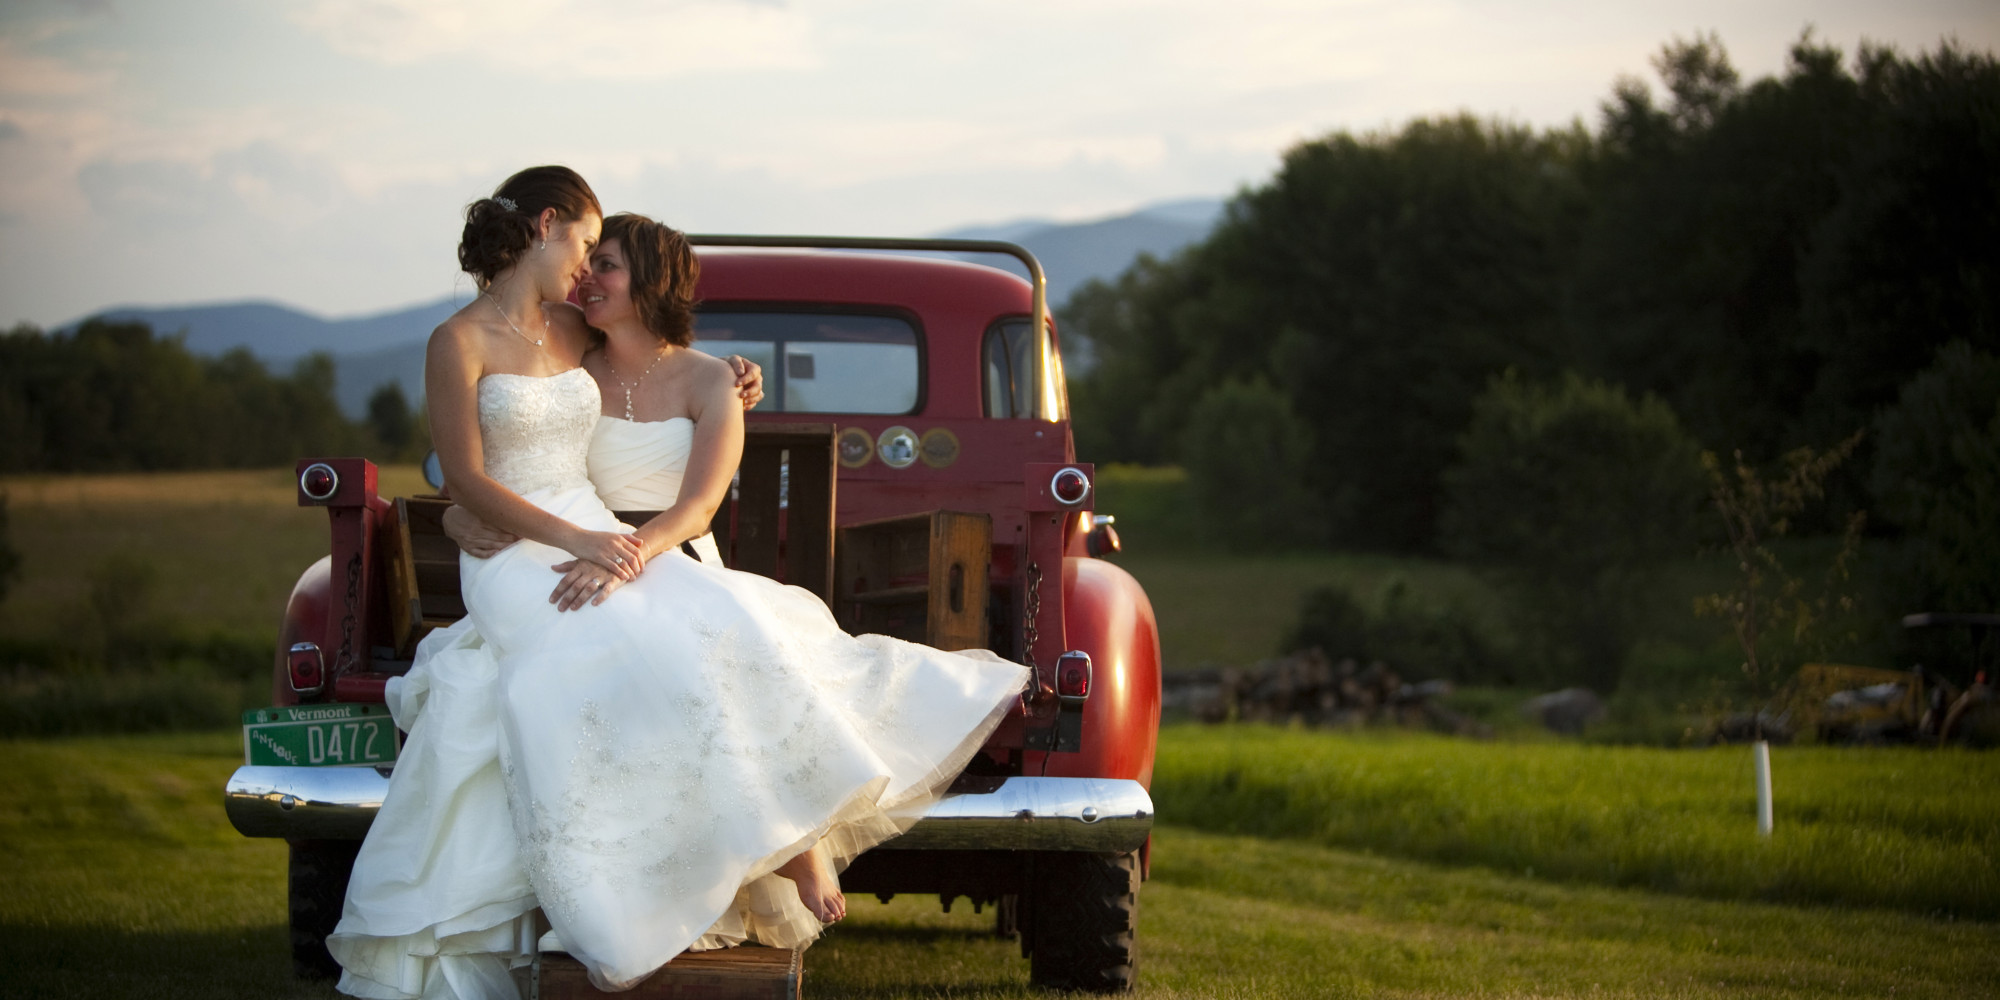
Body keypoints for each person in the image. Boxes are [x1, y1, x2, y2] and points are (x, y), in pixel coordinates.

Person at [327, 168, 1029, 999]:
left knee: (701, 619)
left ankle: (786, 828)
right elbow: (467, 475)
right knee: (593, 642)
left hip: (604, 533)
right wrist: (513, 527)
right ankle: (619, 889)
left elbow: (651, 367)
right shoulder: (462, 341)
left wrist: (729, 382)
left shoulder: (570, 331)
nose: (588, 271)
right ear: (545, 228)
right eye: (586, 247)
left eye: (602, 258)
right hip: (524, 548)